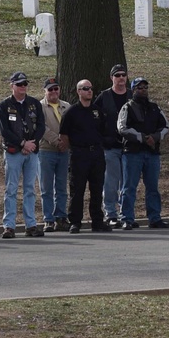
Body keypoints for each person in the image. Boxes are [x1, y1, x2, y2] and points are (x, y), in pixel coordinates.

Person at [117, 77, 169, 230]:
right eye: (139, 88)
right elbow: (122, 128)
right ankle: (127, 218)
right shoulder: (127, 107)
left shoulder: (155, 107)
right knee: (128, 188)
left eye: (145, 88)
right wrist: (142, 138)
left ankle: (155, 218)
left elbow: (166, 125)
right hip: (132, 153)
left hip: (152, 154)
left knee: (153, 188)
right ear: (133, 90)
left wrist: (155, 137)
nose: (143, 90)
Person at [0, 71, 46, 239]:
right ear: (12, 86)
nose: (23, 87)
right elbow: (4, 130)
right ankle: (9, 226)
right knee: (11, 189)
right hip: (13, 152)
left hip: (32, 151)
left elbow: (40, 126)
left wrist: (31, 144)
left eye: (25, 84)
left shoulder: (34, 103)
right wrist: (22, 144)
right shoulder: (4, 105)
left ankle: (30, 224)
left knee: (30, 189)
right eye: (19, 84)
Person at [59, 80, 112, 233]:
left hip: (96, 154)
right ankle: (75, 221)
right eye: (85, 88)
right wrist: (76, 149)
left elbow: (103, 131)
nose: (89, 91)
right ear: (79, 92)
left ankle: (97, 221)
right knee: (77, 189)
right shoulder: (71, 112)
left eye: (91, 88)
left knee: (97, 188)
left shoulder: (97, 111)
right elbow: (64, 135)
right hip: (79, 154)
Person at [94, 64, 132, 227]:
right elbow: (94, 119)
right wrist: (102, 140)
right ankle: (110, 213)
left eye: (123, 75)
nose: (121, 78)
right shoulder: (104, 97)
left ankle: (126, 214)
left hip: (130, 147)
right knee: (110, 182)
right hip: (110, 147)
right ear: (112, 78)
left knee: (127, 182)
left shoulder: (132, 95)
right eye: (117, 75)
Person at [38, 78, 71, 233]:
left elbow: (73, 125)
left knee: (62, 187)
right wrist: (57, 141)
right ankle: (48, 219)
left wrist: (66, 142)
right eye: (50, 89)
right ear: (45, 91)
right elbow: (41, 128)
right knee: (46, 188)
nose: (53, 92)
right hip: (46, 151)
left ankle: (61, 217)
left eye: (55, 89)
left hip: (64, 152)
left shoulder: (66, 106)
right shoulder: (40, 106)